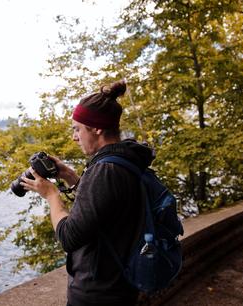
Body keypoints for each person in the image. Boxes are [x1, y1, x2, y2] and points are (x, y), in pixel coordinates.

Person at [20, 80, 154, 306]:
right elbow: (107, 205)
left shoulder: (105, 170)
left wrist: (52, 195)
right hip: (122, 283)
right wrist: (70, 176)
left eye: (77, 129)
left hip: (99, 293)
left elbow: (68, 236)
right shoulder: (127, 160)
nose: (75, 137)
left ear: (97, 129)